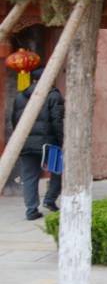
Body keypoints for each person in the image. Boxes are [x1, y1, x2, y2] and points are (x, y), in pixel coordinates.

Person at [10, 66, 64, 220]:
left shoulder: (20, 96)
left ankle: (31, 210)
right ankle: (50, 200)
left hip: (26, 144)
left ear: (33, 79)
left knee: (29, 176)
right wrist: (61, 141)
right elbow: (57, 121)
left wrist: (21, 141)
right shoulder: (53, 95)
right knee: (57, 171)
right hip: (50, 143)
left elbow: (14, 121)